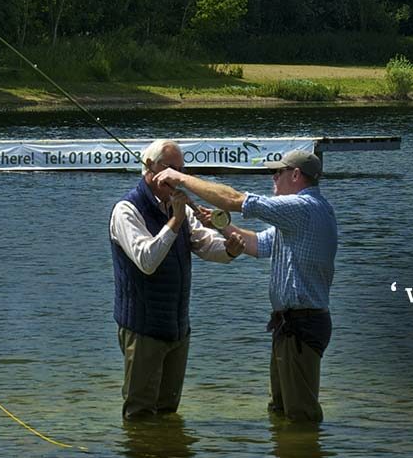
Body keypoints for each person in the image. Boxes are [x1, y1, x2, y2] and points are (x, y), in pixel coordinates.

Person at [154, 150, 337, 423]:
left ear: (296, 175)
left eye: (278, 172)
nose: (273, 178)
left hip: (302, 325)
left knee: (301, 416)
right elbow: (258, 245)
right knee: (281, 410)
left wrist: (180, 177)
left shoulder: (302, 207)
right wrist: (220, 224)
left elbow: (234, 199)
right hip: (291, 325)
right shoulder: (303, 214)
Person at [110, 139, 244, 419]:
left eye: (181, 170)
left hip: (177, 328)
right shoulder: (126, 210)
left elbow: (204, 243)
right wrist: (175, 222)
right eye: (171, 169)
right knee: (140, 414)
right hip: (143, 328)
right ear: (150, 169)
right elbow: (146, 260)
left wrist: (229, 249)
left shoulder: (177, 206)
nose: (176, 177)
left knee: (169, 412)